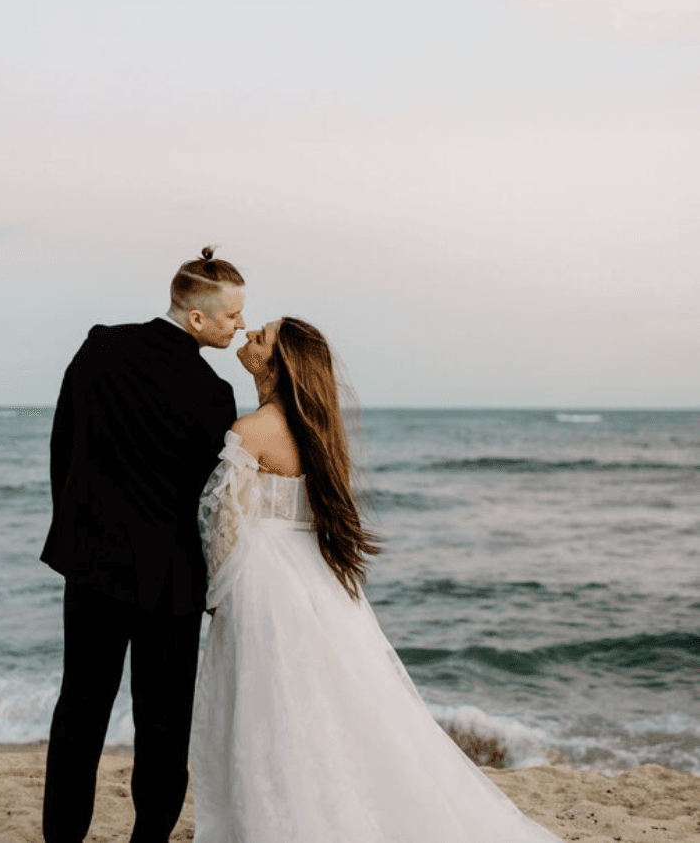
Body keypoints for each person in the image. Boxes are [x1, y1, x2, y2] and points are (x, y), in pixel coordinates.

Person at [190, 317, 563, 842]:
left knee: (265, 709)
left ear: (280, 363)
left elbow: (220, 522)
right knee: (321, 703)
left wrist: (215, 593)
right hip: (312, 577)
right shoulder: (317, 431)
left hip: (264, 579)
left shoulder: (250, 430)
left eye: (262, 337)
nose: (249, 335)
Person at [40, 248, 245, 843]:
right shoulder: (214, 394)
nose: (240, 327)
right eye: (232, 316)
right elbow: (208, 502)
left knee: (79, 710)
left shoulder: (100, 346)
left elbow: (63, 446)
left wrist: (76, 529)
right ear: (198, 318)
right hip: (172, 580)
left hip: (94, 565)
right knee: (163, 724)